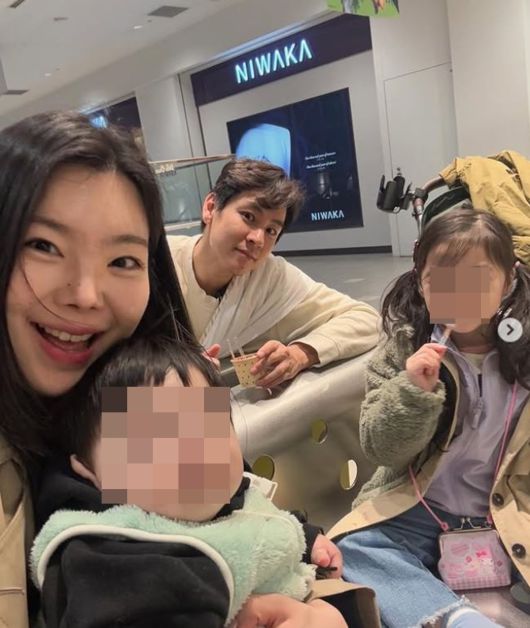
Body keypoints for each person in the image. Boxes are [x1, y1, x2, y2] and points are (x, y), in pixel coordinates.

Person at [0, 111, 362, 628]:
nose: (86, 295)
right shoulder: (107, 551)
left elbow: (226, 497)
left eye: (123, 260)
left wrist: (304, 351)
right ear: (210, 208)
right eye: (44, 246)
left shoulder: (264, 283)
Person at [30, 335, 347, 628]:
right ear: (89, 472)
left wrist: (305, 540)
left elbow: (248, 514)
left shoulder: (209, 496)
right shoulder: (118, 565)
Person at [326, 207, 530, 627]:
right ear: (420, 281)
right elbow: (380, 449)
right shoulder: (405, 347)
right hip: (420, 509)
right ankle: (455, 619)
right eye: (441, 280)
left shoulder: (524, 351)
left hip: (511, 507)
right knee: (356, 547)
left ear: (509, 281)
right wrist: (412, 392)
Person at [167, 158, 380, 388]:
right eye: (248, 216)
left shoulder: (271, 279)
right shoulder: (156, 263)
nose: (257, 239)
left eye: (271, 230)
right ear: (210, 208)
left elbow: (366, 319)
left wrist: (299, 354)